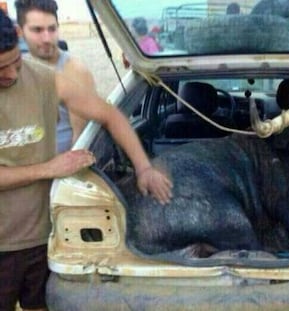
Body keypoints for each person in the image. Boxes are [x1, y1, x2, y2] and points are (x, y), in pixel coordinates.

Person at [0, 10, 172, 311]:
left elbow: (110, 115)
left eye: (15, 62)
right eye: (0, 69)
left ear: (16, 37)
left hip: (46, 238)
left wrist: (144, 167)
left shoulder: (43, 79)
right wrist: (48, 169)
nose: (12, 75)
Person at [15, 0, 94, 153]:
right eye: (37, 30)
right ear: (20, 31)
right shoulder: (17, 68)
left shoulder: (74, 71)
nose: (47, 38)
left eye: (52, 29)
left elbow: (82, 140)